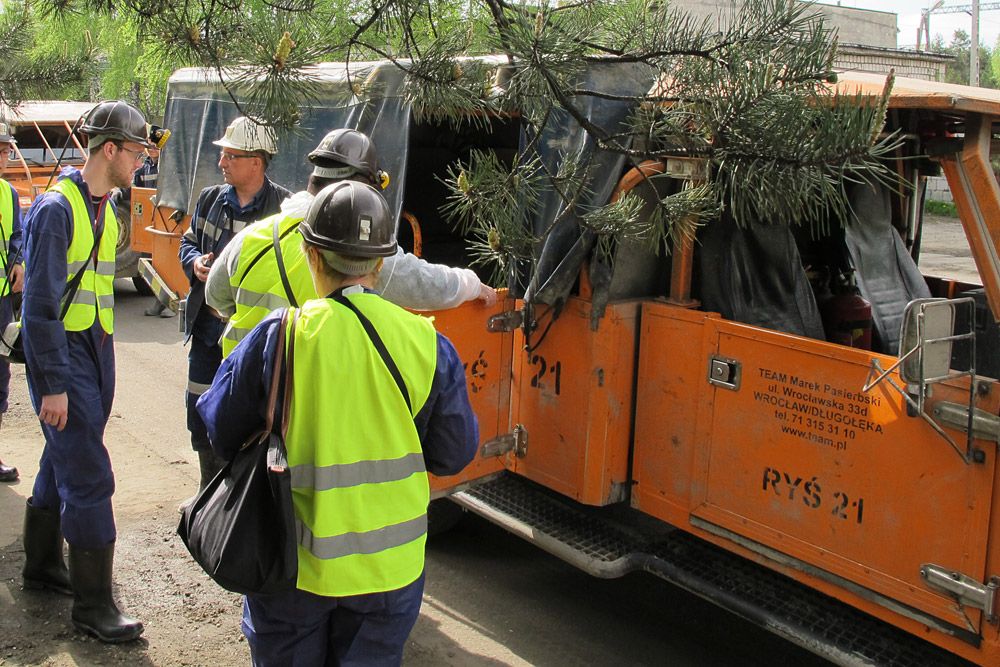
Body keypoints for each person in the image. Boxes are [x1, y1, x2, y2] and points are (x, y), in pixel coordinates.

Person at [198, 180, 477, 665]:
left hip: (293, 567)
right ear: (381, 261)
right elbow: (454, 454)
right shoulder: (428, 345)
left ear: (310, 252)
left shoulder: (278, 338)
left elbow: (220, 430)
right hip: (390, 575)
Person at [19, 100, 151, 643]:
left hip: (94, 347)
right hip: (65, 353)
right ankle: (94, 606)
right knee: (90, 473)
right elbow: (39, 305)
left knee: (64, 455)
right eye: (138, 147)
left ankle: (44, 566)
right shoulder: (58, 209)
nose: (144, 157)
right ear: (110, 149)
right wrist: (52, 384)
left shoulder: (102, 204)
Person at [205, 128, 497, 358]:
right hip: (306, 395)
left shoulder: (250, 238)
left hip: (244, 398)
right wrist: (471, 284)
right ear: (361, 186)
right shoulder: (359, 246)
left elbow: (215, 298)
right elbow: (421, 283)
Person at [179, 116, 291, 491]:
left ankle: (242, 497)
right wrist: (193, 261)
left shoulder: (285, 208)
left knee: (251, 416)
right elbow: (188, 241)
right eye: (222, 155)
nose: (221, 163)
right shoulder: (210, 199)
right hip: (209, 331)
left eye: (230, 156)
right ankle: (207, 490)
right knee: (201, 409)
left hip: (257, 339)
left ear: (256, 162)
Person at [0, 121, 23, 482]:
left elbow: (17, 235)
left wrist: (19, 261)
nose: (4, 155)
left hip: (2, 299)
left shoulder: (9, 193)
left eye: (5, 150)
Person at [136, 125, 176, 318]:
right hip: (151, 222)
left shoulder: (169, 165)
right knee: (152, 263)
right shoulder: (144, 167)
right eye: (149, 145)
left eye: (155, 146)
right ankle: (159, 300)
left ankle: (169, 303)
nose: (152, 149)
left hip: (167, 221)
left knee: (167, 263)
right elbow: (134, 190)